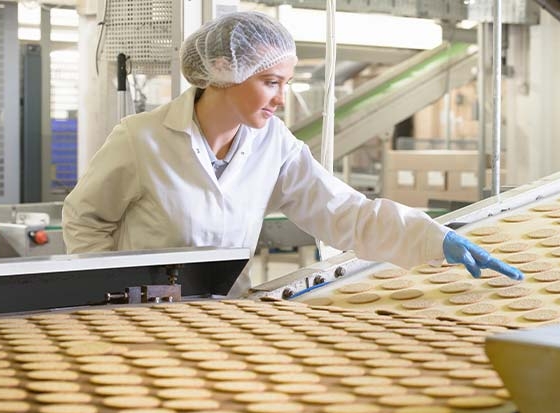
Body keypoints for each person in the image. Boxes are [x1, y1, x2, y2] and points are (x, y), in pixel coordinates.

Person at [62, 11, 523, 296]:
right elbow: (86, 219)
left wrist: (431, 238)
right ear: (224, 72)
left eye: (286, 83)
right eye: (271, 82)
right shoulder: (142, 138)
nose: (281, 98)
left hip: (223, 316)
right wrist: (105, 293)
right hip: (137, 318)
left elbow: (345, 213)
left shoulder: (273, 143)